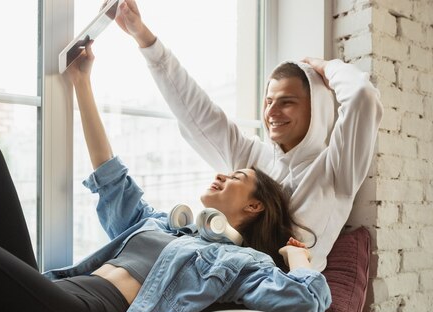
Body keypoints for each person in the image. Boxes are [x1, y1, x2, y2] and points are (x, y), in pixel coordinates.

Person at [0, 42, 330, 312]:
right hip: (46, 294)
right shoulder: (155, 224)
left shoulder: (239, 261)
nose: (222, 175)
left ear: (255, 205)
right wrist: (82, 82)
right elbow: (109, 174)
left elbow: (305, 302)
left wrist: (298, 257)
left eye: (237, 177)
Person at [114, 0, 383, 271]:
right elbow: (194, 112)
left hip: (291, 297)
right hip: (226, 285)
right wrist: (143, 38)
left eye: (287, 101)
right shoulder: (252, 160)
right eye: (268, 101)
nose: (273, 111)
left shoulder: (334, 170)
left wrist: (325, 67)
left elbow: (362, 96)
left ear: (317, 108)